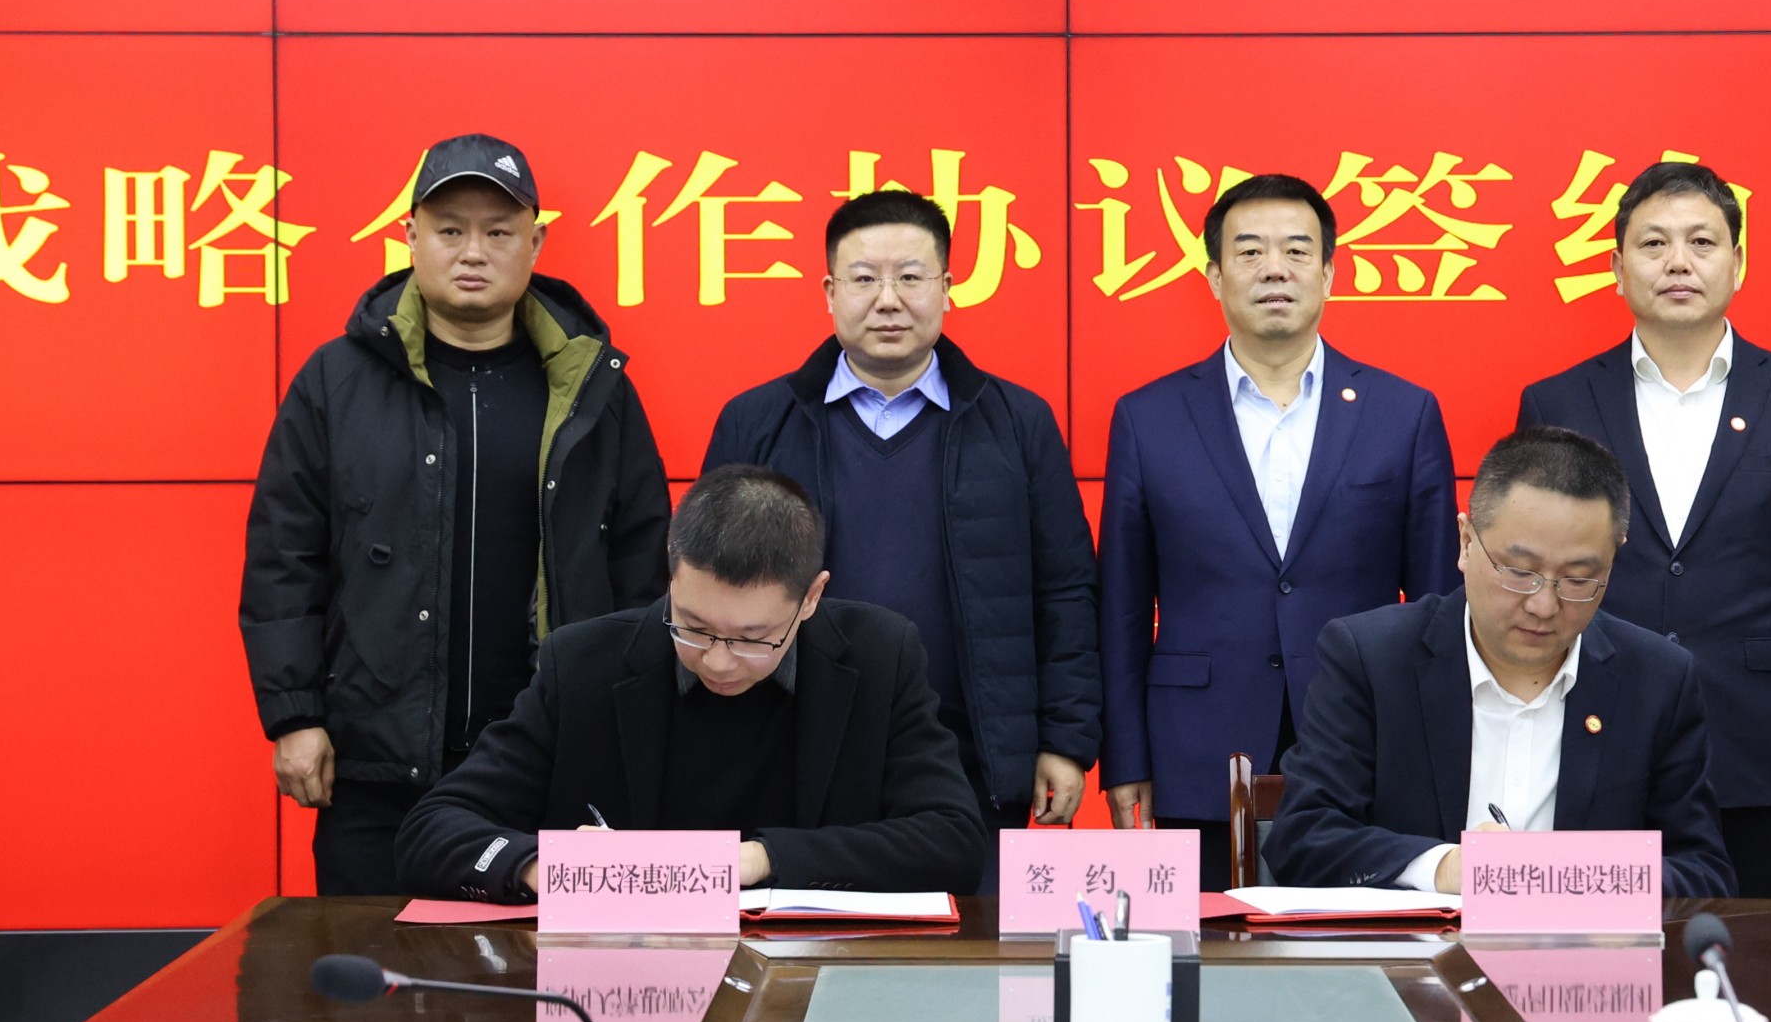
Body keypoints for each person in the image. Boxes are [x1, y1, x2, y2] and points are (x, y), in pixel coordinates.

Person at [240, 134, 671, 895]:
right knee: (370, 964)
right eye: (450, 230)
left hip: (549, 762)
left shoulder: (593, 391)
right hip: (376, 761)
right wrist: (294, 715)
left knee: (543, 966)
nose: (474, 251)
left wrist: (630, 723)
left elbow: (643, 565)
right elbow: (285, 558)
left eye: (499, 232)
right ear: (409, 236)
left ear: (536, 243)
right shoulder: (336, 382)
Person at [703, 190, 1100, 887]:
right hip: (792, 750)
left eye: (910, 277)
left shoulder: (1018, 423)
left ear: (946, 288)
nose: (888, 300)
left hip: (970, 759)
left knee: (974, 947)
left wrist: (1065, 741)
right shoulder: (757, 422)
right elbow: (706, 591)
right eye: (864, 278)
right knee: (802, 948)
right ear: (829, 293)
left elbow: (1064, 589)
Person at [1515, 160, 1771, 898]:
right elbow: (1525, 584)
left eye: (1702, 242)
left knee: (1761, 958)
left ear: (1737, 264)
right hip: (1592, 729)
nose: (1678, 262)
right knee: (1592, 955)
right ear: (1617, 269)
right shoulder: (1559, 402)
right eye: (1654, 244)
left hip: (1760, 747)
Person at [1098, 173, 1458, 889]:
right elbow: (1122, 607)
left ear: (1329, 273)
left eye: (1296, 251)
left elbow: (1439, 606)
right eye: (1250, 251)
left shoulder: (1402, 412)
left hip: (1365, 735)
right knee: (1209, 940)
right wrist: (1127, 757)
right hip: (1198, 742)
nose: (1274, 269)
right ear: (1214, 276)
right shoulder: (1149, 416)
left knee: (1360, 940)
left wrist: (1436, 753)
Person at [394, 465, 987, 900]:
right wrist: (547, 866)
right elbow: (431, 830)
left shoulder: (879, 655)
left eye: (754, 638)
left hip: (815, 990)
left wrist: (756, 860)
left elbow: (952, 841)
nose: (719, 662)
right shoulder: (584, 664)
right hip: (624, 985)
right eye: (694, 628)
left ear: (811, 598)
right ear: (671, 576)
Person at [1266, 425, 1736, 898]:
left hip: (1580, 946)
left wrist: (1565, 875)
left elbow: (1703, 874)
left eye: (1578, 580)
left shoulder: (1656, 679)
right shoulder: (1372, 657)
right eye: (1520, 572)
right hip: (1413, 945)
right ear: (1466, 542)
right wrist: (1447, 868)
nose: (1544, 606)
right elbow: (1304, 839)